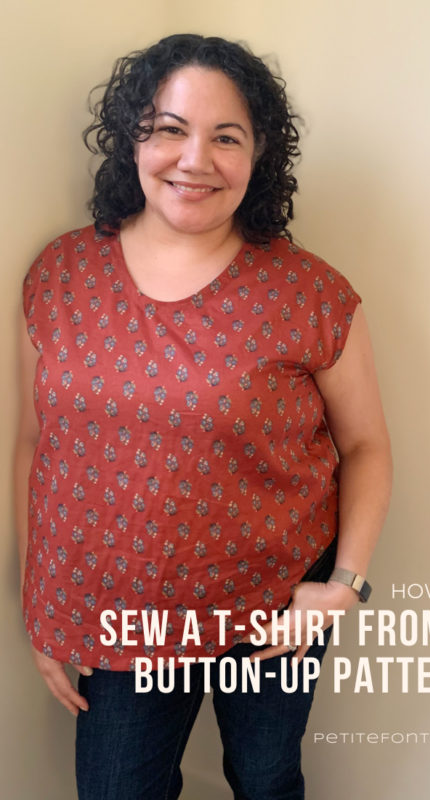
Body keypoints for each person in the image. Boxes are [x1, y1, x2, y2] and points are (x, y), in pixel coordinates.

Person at [15, 33, 392, 800]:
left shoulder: (310, 292)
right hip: (128, 613)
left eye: (227, 137)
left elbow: (365, 446)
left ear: (259, 158)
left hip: (275, 598)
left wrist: (343, 586)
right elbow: (36, 444)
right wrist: (43, 602)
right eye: (170, 129)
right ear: (133, 139)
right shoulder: (60, 273)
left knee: (264, 778)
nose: (196, 159)